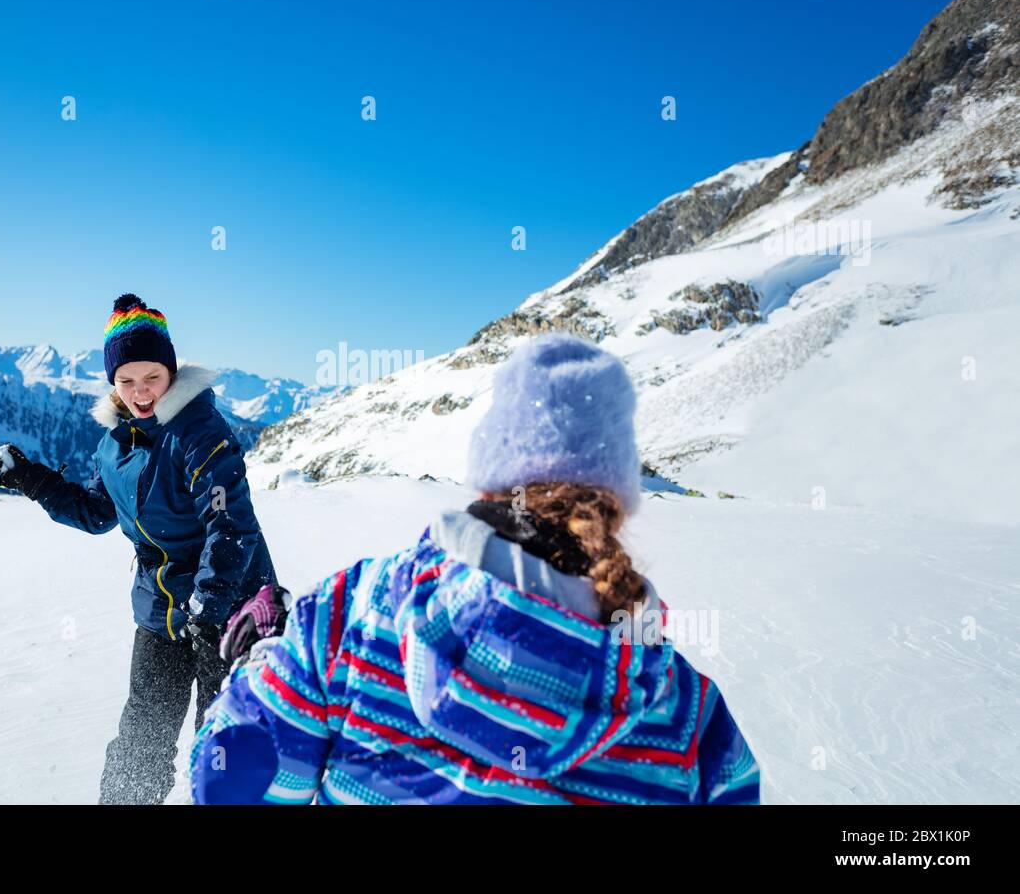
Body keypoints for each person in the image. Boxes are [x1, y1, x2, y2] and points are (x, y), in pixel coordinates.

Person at [189, 333, 759, 804]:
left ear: (490, 478)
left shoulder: (349, 617)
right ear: (617, 504)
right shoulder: (689, 718)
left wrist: (261, 659)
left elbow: (231, 788)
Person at [0, 293, 276, 804]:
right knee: (141, 741)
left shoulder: (199, 432)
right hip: (160, 609)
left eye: (152, 378)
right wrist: (31, 479)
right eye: (127, 381)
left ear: (171, 372)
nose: (141, 393)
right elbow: (98, 511)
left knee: (226, 743)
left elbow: (231, 525)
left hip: (228, 608)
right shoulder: (116, 444)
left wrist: (208, 609)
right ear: (113, 384)